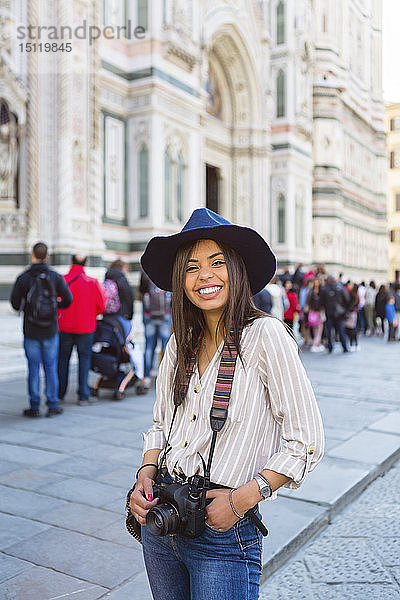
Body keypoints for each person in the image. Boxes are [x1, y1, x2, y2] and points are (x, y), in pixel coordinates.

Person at [129, 208, 324, 600]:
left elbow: (306, 439)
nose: (205, 276)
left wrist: (245, 497)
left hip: (224, 530)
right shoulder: (179, 343)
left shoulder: (265, 335)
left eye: (217, 263)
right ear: (180, 280)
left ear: (237, 271)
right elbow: (161, 424)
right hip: (162, 520)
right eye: (192, 267)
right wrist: (145, 473)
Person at [10, 242, 72, 417]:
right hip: (51, 330)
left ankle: (34, 406)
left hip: (31, 330)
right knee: (51, 367)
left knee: (33, 368)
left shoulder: (23, 278)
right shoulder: (55, 276)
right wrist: (54, 306)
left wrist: (29, 308)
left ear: (32, 255)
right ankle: (52, 404)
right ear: (47, 256)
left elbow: (15, 304)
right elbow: (68, 299)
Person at [57, 254, 107, 405]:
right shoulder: (92, 282)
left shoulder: (63, 280)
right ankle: (83, 395)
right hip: (86, 328)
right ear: (85, 264)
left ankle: (60, 393)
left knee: (62, 360)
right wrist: (91, 315)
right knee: (84, 361)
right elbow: (102, 306)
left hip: (64, 326)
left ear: (71, 262)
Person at [139, 271, 172, 389]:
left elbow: (142, 293)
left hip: (149, 315)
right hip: (166, 315)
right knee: (166, 347)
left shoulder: (145, 273)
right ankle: (167, 377)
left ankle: (147, 377)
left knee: (149, 347)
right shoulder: (167, 272)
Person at [319, 274, 349, 353]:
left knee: (329, 331)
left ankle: (330, 347)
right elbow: (347, 299)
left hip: (329, 313)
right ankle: (344, 347)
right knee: (341, 330)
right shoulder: (340, 288)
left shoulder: (325, 289)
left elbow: (321, 302)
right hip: (339, 313)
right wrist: (344, 308)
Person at [305, 278, 325, 352]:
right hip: (313, 312)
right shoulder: (311, 292)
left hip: (319, 312)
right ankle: (315, 344)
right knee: (315, 329)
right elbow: (308, 302)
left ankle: (316, 344)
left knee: (319, 329)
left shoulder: (322, 291)